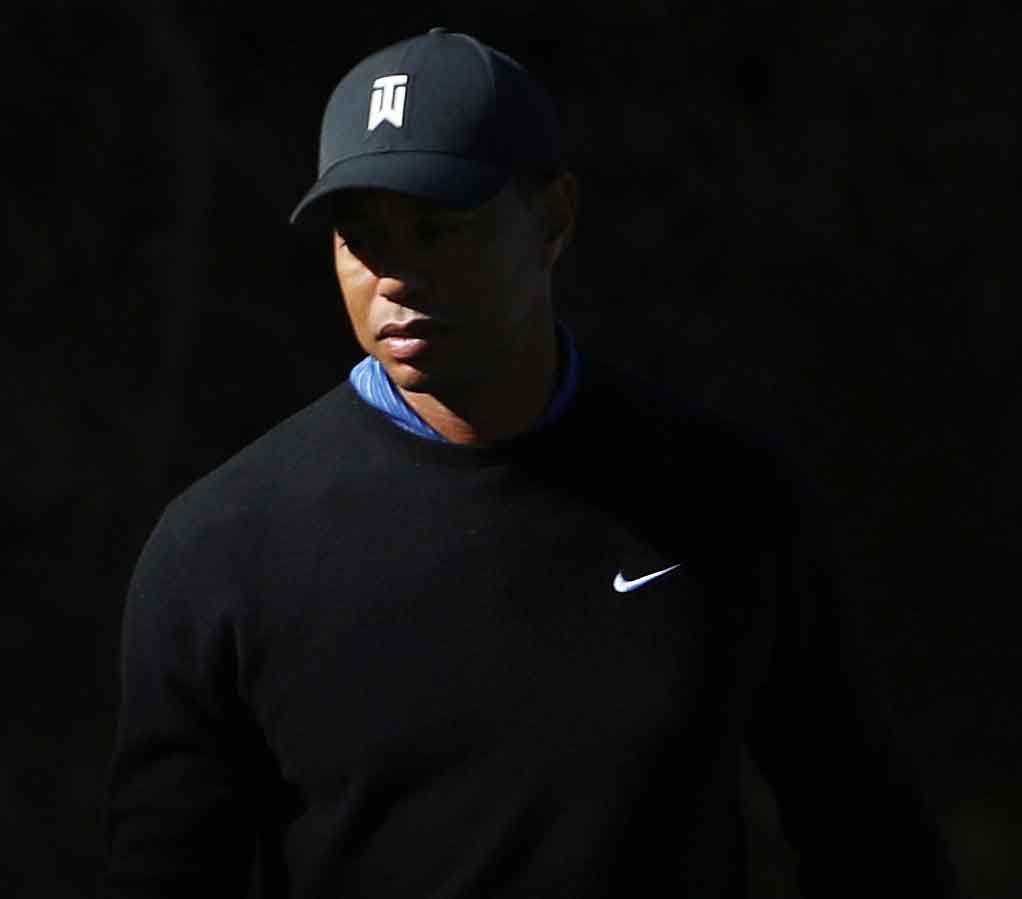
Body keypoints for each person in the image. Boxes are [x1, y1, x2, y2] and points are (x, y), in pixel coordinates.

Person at [100, 28, 956, 898]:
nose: (394, 275)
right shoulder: (221, 548)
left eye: (436, 227)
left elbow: (867, 833)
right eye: (361, 239)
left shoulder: (724, 501)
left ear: (552, 221)